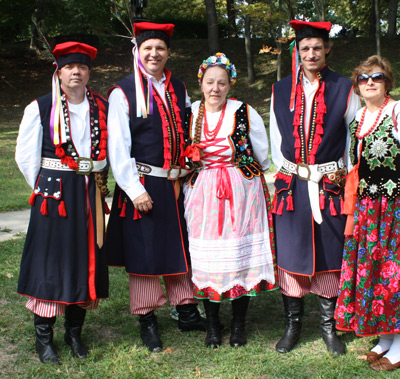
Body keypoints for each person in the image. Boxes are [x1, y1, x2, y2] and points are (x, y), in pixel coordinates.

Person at [104, 21, 204, 352]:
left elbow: (191, 129)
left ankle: (186, 310)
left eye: (160, 48)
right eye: (147, 48)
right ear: (137, 51)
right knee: (145, 252)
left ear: (168, 52)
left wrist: (191, 166)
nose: (154, 53)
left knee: (180, 245)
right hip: (144, 183)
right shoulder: (123, 92)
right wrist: (133, 189)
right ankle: (147, 319)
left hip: (176, 182)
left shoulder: (179, 86)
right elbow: (118, 145)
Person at [334, 55, 400, 371]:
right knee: (376, 272)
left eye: (376, 77)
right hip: (369, 211)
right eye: (363, 78)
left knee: (397, 273)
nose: (369, 82)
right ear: (357, 86)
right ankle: (385, 338)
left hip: (395, 209)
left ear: (387, 82)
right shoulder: (359, 120)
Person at [269, 20, 360, 355]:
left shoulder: (344, 88)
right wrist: (288, 173)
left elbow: (353, 137)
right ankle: (292, 325)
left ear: (327, 50)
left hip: (330, 188)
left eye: (317, 48)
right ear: (297, 51)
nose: (311, 53)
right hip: (292, 186)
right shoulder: (280, 90)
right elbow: (277, 140)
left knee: (329, 253)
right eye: (305, 48)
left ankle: (329, 327)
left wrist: (346, 177)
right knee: (292, 251)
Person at [15, 42, 109, 364]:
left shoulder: (102, 107)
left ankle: (74, 333)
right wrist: (45, 187)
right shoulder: (40, 107)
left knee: (83, 260)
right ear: (59, 71)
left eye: (82, 67)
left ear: (88, 72)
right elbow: (26, 156)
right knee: (50, 262)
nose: (76, 72)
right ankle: (44, 337)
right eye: (70, 67)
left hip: (88, 192)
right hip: (54, 196)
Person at [182, 52, 277, 348]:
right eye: (210, 82)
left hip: (240, 191)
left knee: (239, 256)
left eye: (221, 83)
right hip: (202, 192)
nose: (215, 88)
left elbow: (261, 155)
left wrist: (240, 178)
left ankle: (238, 325)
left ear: (230, 84)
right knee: (206, 257)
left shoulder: (244, 111)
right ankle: (212, 325)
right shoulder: (191, 112)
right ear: (201, 83)